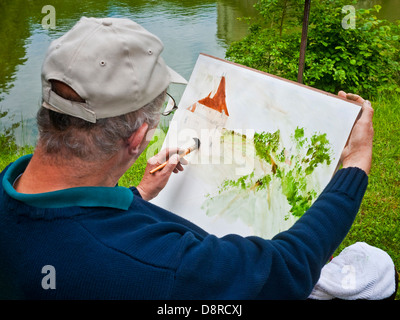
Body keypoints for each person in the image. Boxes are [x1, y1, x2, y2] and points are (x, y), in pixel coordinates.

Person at [0, 17, 375, 300]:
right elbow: (283, 271)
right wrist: (355, 164)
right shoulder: (161, 266)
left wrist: (140, 193)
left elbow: (75, 223)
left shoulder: (13, 186)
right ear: (137, 139)